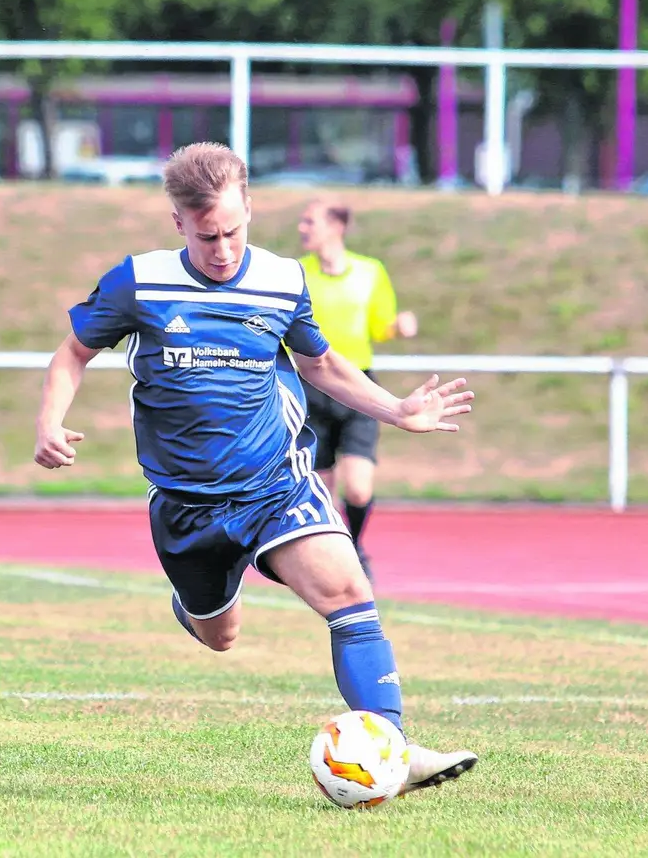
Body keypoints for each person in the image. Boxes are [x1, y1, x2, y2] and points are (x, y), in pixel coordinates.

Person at [33, 142, 479, 796]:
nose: (223, 249)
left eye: (234, 231)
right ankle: (199, 603)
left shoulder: (280, 280)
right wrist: (48, 422)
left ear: (250, 209)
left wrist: (396, 409)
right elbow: (72, 354)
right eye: (208, 235)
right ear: (179, 223)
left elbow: (320, 364)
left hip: (274, 483)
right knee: (221, 636)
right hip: (186, 507)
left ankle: (392, 745)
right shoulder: (140, 281)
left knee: (351, 596)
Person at [295, 200, 417, 581]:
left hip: (359, 387)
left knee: (359, 489)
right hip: (311, 388)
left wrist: (398, 326)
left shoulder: (369, 272)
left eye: (309, 221)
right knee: (322, 491)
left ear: (336, 226)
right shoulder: (297, 273)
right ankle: (335, 562)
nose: (302, 228)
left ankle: (356, 547)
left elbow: (379, 326)